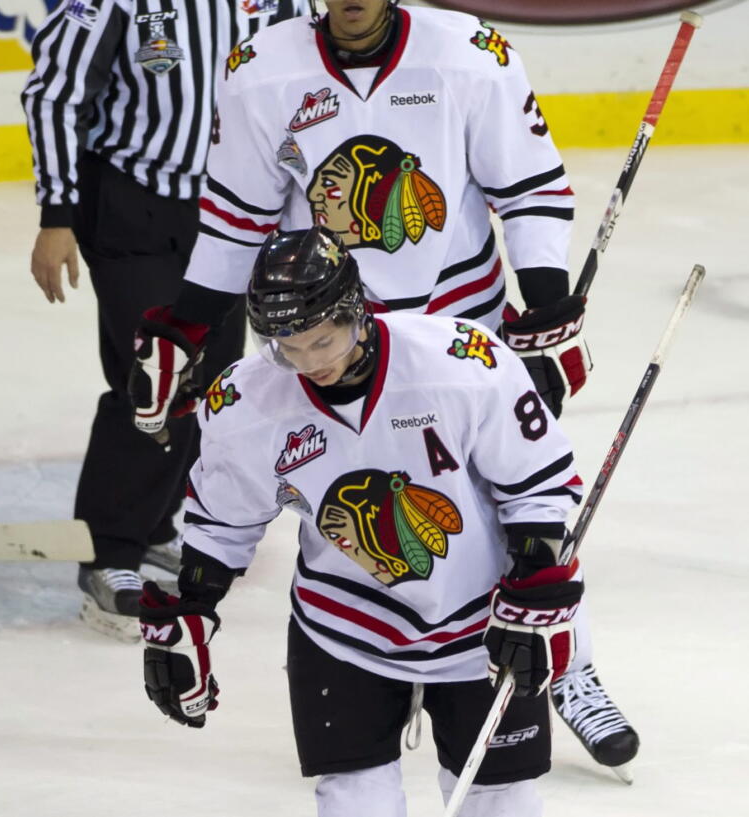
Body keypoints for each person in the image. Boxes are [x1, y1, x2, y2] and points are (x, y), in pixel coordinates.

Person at [128, 0, 637, 772]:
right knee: (379, 517)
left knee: (520, 504)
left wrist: (544, 304)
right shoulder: (263, 69)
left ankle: (569, 666)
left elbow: (528, 185)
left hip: (460, 335)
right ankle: (375, 682)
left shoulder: (468, 51)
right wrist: (187, 327)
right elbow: (236, 219)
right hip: (321, 345)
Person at [139, 226, 584, 816]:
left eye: (321, 342)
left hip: (480, 618)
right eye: (286, 347)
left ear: (358, 311)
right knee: (353, 800)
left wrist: (536, 585)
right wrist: (194, 608)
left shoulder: (460, 361)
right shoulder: (246, 402)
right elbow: (222, 522)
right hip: (343, 625)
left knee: (500, 800)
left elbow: (538, 482)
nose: (307, 363)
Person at [20, 0, 312, 639]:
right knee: (156, 372)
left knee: (213, 380)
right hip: (130, 201)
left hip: (231, 213)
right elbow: (54, 94)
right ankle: (110, 553)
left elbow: (306, 87)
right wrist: (57, 215)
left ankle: (154, 525)